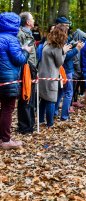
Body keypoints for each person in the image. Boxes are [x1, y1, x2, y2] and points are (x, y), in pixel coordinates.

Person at [0, 12, 31, 149]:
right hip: (8, 80)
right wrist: (26, 51)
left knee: (2, 109)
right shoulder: (11, 39)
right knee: (7, 109)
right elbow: (19, 60)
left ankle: (2, 138)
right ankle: (6, 140)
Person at [38, 24, 71, 128]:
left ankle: (40, 120)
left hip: (42, 74)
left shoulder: (47, 44)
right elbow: (59, 62)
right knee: (51, 100)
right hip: (51, 76)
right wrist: (64, 52)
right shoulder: (57, 47)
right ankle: (50, 123)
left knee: (43, 98)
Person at [17, 12, 38, 134]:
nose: (34, 20)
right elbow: (20, 53)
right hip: (25, 68)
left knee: (31, 98)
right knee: (25, 97)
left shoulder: (29, 34)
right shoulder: (20, 34)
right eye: (32, 19)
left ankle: (30, 124)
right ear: (28, 22)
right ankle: (24, 126)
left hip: (32, 68)